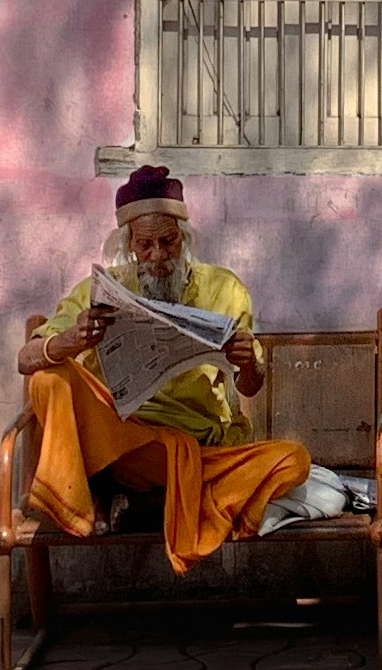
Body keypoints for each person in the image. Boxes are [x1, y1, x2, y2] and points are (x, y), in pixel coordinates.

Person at [17, 165, 317, 566]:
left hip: (200, 450)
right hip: (127, 446)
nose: (157, 256)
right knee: (49, 379)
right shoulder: (99, 291)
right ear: (128, 246)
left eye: (168, 242)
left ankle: (153, 505)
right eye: (145, 246)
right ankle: (131, 500)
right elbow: (26, 359)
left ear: (184, 239)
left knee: (292, 460)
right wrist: (71, 340)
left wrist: (248, 365)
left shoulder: (224, 289)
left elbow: (250, 387)